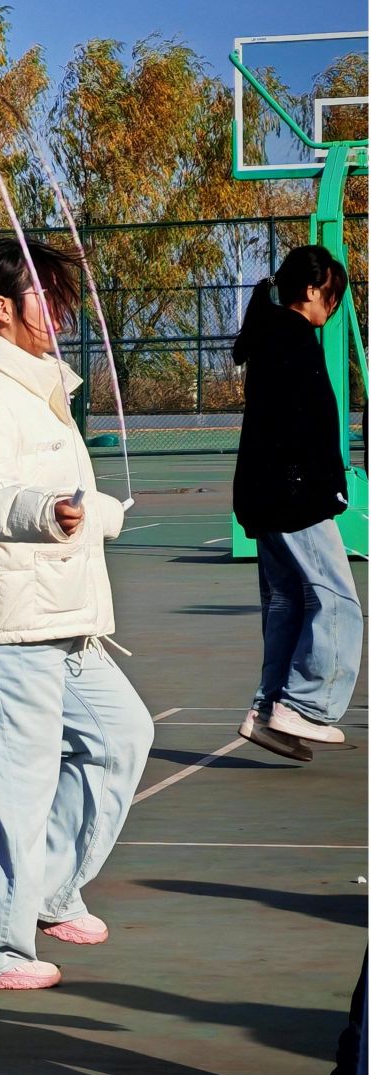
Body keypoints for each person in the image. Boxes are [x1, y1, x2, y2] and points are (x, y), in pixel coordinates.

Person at [0, 238, 154, 991]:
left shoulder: (31, 385)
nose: (61, 316)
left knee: (119, 735)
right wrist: (45, 512)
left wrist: (97, 514)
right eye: (46, 300)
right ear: (1, 308)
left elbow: (57, 493)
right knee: (17, 785)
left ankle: (46, 889)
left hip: (53, 612)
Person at [229, 245, 362, 763]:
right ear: (311, 290)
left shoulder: (269, 334)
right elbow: (302, 426)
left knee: (288, 601)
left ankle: (268, 710)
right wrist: (327, 487)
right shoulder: (293, 338)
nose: (333, 306)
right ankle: (305, 705)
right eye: (332, 295)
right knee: (336, 602)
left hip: (266, 495)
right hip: (293, 496)